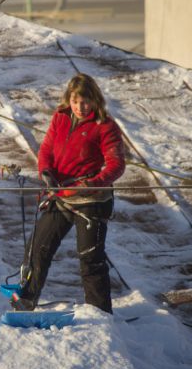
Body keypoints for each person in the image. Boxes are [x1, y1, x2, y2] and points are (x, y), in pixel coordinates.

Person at [11, 73, 125, 314]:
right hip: (61, 195)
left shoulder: (105, 126)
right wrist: (45, 172)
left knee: (90, 258)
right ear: (69, 100)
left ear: (95, 100)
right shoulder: (61, 117)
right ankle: (25, 302)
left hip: (92, 199)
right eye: (75, 101)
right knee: (37, 249)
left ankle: (100, 313)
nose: (80, 107)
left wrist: (93, 183)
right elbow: (47, 149)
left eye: (85, 102)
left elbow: (116, 165)